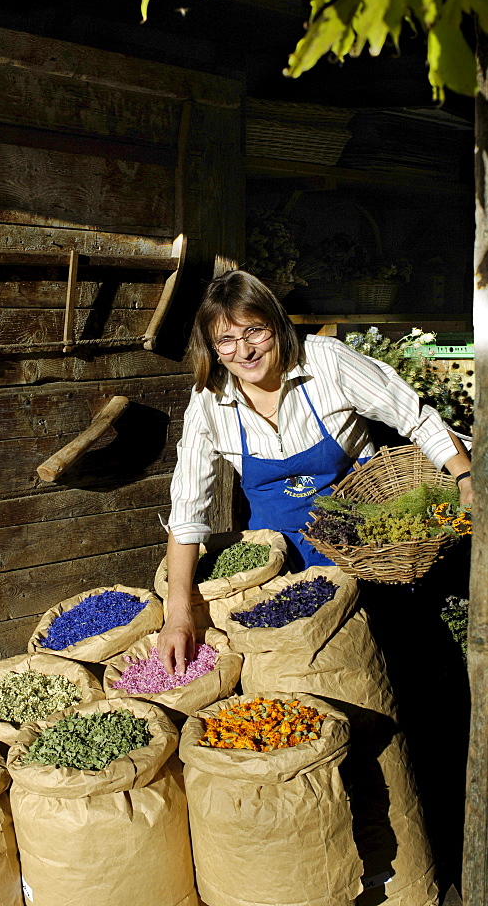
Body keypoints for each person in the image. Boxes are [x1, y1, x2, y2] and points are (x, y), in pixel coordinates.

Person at [158, 270, 472, 674]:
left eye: (255, 332)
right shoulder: (208, 402)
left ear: (277, 324)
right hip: (284, 566)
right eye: (227, 340)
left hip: (368, 551)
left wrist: (465, 479)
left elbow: (416, 419)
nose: (244, 351)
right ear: (214, 350)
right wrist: (178, 614)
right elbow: (187, 513)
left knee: (402, 662)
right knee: (316, 672)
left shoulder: (326, 361)